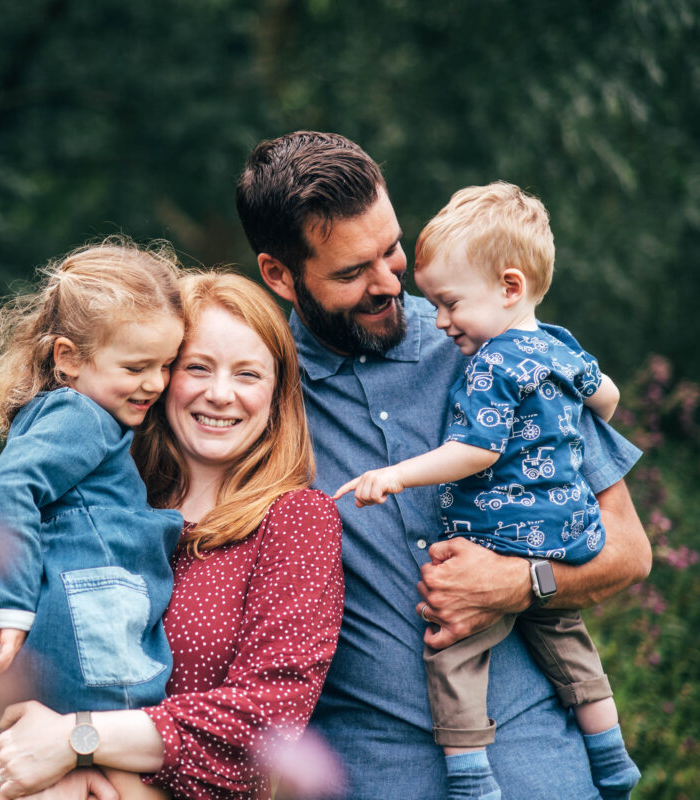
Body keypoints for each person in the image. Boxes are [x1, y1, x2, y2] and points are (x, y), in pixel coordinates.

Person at [237, 131, 650, 798]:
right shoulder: (254, 394)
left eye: (391, 249)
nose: (387, 282)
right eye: (350, 272)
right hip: (365, 773)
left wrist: (520, 582)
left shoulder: (499, 345)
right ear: (279, 274)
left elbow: (630, 551)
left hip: (538, 762)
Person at [0, 272, 344, 799]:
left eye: (248, 374)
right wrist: (0, 554)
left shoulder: (295, 519)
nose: (219, 393)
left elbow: (268, 718)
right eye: (196, 367)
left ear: (278, 393)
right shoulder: (108, 489)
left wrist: (80, 738)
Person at [332, 181, 640, 799]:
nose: (438, 318)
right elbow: (605, 396)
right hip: (564, 533)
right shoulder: (558, 347)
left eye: (448, 303)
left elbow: (478, 450)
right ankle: (612, 755)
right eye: (349, 269)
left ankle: (471, 776)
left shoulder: (487, 362)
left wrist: (398, 476)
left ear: (508, 287)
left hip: (501, 546)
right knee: (572, 649)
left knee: (454, 650)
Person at [0, 238, 186, 768]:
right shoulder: (82, 416)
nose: (155, 383)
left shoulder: (77, 413)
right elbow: (9, 488)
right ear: (69, 358)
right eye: (135, 368)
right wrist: (11, 609)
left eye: (167, 365)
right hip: (79, 648)